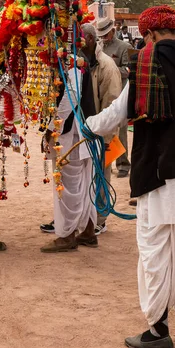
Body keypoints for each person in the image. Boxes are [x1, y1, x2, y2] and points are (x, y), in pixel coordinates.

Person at [85, 5, 175, 348]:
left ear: (148, 35)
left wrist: (85, 124)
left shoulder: (145, 65)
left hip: (158, 179)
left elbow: (113, 118)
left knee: (155, 254)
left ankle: (157, 331)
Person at [40, 23, 122, 236]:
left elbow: (111, 104)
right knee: (83, 183)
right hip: (84, 131)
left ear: (90, 40)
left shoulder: (105, 66)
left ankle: (96, 221)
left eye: (76, 39)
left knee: (97, 179)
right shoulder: (78, 63)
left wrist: (104, 137)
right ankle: (79, 224)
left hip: (97, 132)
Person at [40, 53, 97, 253]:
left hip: (72, 135)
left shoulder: (71, 59)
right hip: (81, 133)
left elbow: (71, 95)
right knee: (83, 183)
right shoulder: (72, 58)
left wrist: (50, 128)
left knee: (68, 186)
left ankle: (66, 235)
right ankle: (88, 231)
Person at [96, 17, 131, 180]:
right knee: (104, 128)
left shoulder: (124, 47)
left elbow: (128, 69)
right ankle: (105, 161)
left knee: (120, 130)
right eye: (101, 35)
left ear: (113, 31)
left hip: (120, 93)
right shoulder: (99, 48)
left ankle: (123, 164)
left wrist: (111, 69)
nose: (103, 38)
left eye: (106, 34)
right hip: (102, 93)